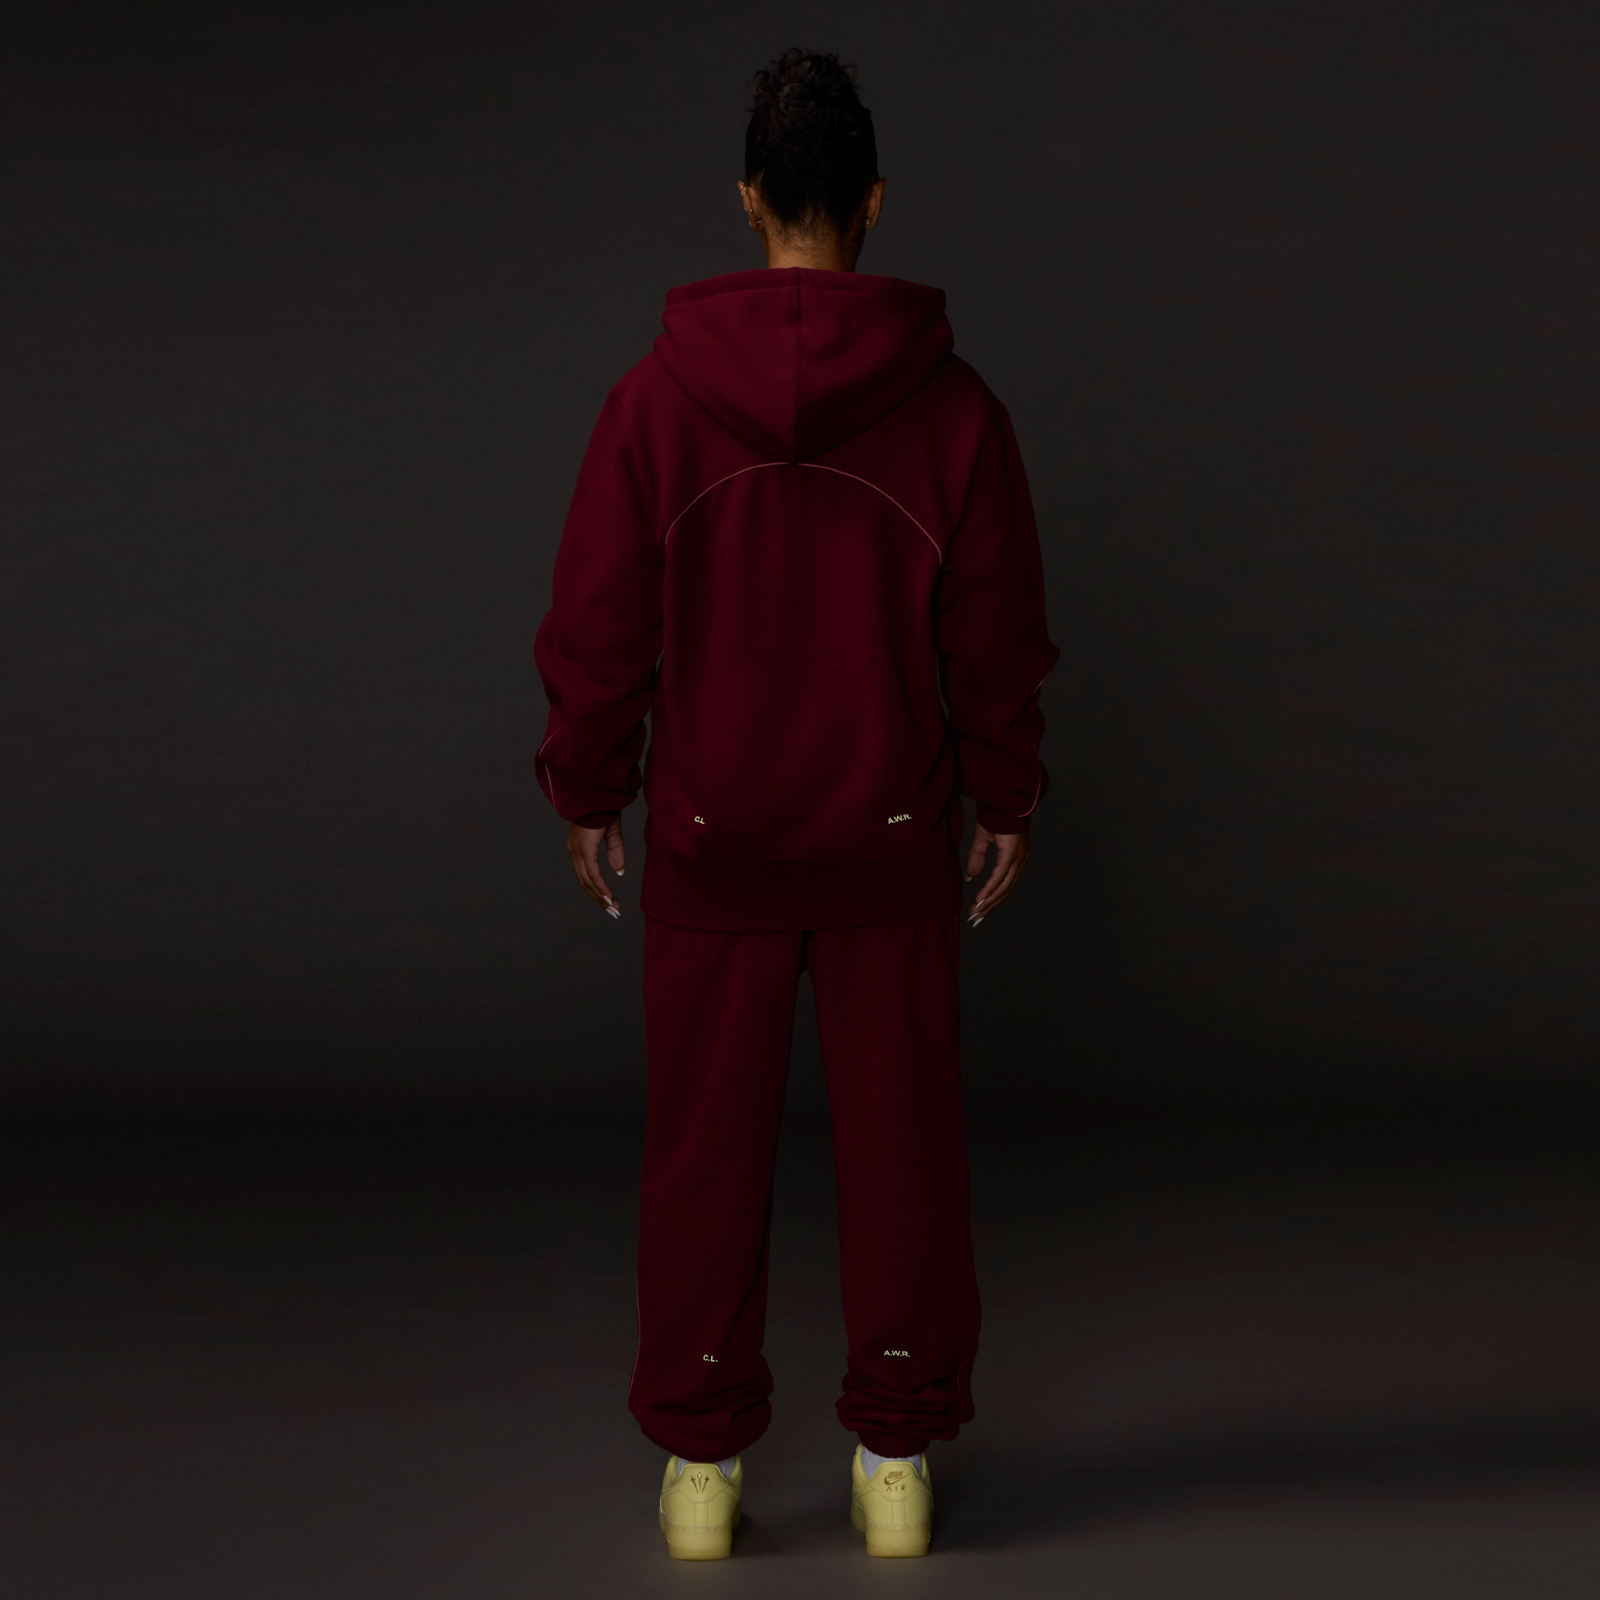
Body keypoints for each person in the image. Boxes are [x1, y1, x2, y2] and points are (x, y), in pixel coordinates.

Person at [535, 47, 1057, 1560]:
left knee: (703, 1159)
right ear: (874, 203)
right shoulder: (956, 412)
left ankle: (702, 1473)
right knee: (906, 1157)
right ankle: (895, 1462)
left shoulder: (653, 404)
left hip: (713, 843)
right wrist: (1004, 790)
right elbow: (998, 635)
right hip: (893, 844)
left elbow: (600, 623)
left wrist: (588, 785)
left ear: (750, 199)